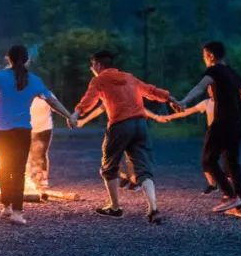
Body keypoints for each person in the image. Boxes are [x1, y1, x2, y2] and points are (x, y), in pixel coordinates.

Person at [0, 45, 75, 226]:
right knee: (18, 170)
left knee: (4, 166)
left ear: (8, 59)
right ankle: (17, 213)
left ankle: (6, 207)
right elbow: (52, 101)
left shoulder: (1, 77)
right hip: (21, 130)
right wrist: (69, 116)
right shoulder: (34, 80)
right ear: (27, 60)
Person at [71, 50, 179, 223]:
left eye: (92, 65)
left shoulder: (99, 80)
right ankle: (153, 209)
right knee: (143, 169)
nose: (92, 69)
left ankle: (115, 208)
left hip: (120, 125)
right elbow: (151, 90)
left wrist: (76, 115)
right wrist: (171, 99)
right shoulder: (129, 77)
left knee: (109, 166)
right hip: (140, 125)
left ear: (97, 65)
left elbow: (88, 100)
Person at [177, 41, 241, 216]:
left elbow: (200, 87)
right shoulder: (233, 73)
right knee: (232, 162)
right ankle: (239, 205)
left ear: (211, 55)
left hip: (222, 122)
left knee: (208, 160)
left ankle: (229, 195)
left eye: (204, 55)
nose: (204, 59)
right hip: (237, 123)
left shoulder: (214, 71)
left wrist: (184, 102)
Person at [146, 99, 223, 194]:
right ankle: (212, 185)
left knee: (228, 161)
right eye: (209, 88)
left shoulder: (226, 101)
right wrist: (169, 117)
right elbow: (187, 112)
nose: (210, 90)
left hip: (226, 132)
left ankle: (230, 190)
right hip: (212, 134)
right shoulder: (206, 103)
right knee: (206, 160)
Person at [28, 95, 53, 190]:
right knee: (31, 153)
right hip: (30, 128)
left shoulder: (46, 94)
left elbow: (55, 105)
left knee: (42, 153)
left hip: (45, 128)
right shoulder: (26, 93)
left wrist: (68, 115)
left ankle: (43, 179)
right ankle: (34, 177)